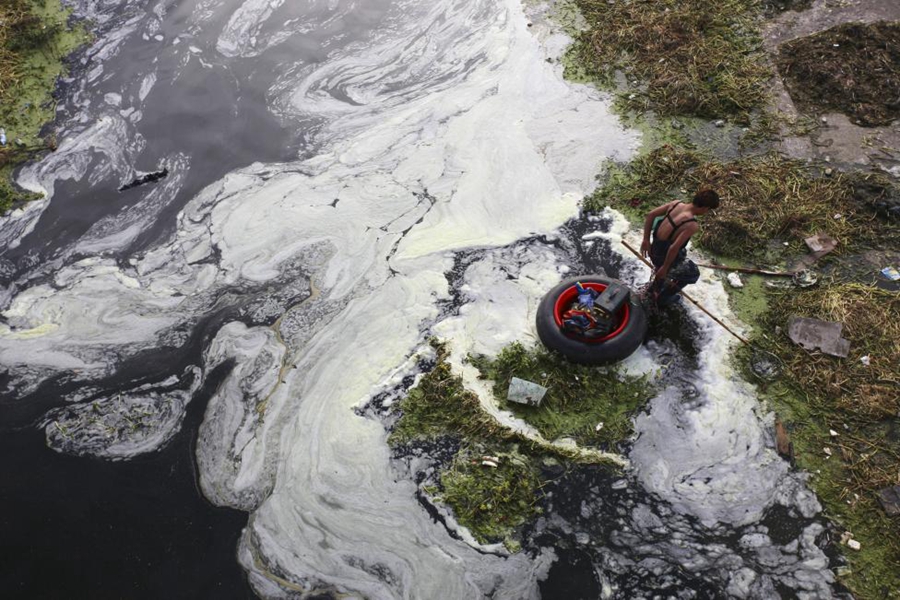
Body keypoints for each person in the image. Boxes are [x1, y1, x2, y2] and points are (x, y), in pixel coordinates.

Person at [639, 189, 720, 306]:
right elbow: (673, 248)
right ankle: (663, 298)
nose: (706, 212)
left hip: (654, 250)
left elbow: (651, 214)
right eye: (708, 210)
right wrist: (665, 267)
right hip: (662, 258)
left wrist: (646, 240)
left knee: (682, 253)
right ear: (705, 208)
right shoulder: (692, 225)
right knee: (693, 273)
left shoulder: (675, 204)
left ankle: (657, 285)